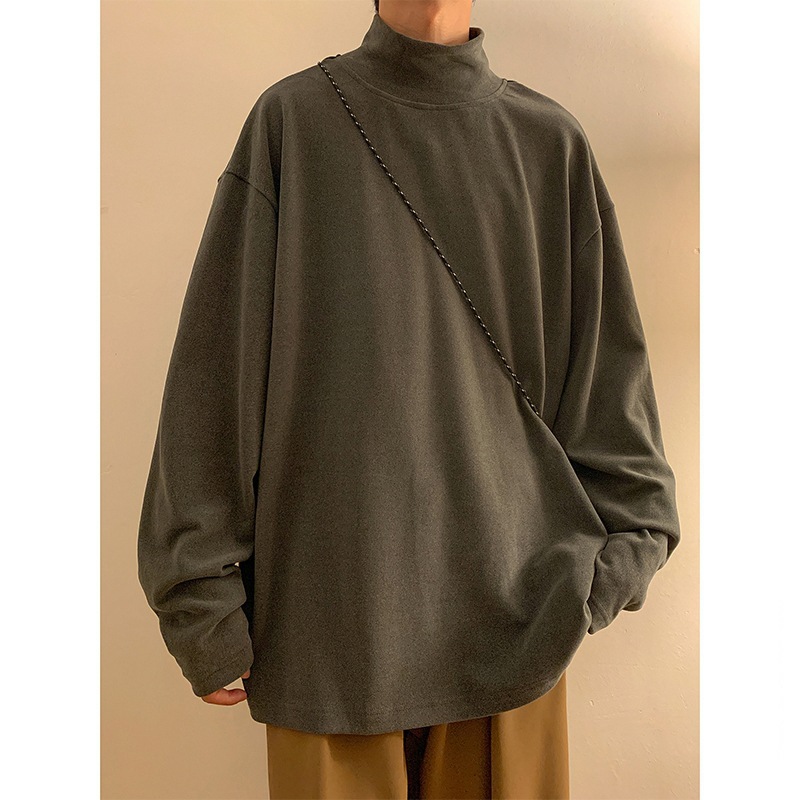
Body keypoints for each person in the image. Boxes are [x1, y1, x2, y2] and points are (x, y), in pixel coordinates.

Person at [137, 1, 682, 797]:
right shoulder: (294, 125)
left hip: (519, 628)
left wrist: (610, 568)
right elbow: (216, 376)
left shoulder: (549, 145)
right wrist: (200, 602)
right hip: (332, 635)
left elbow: (613, 395)